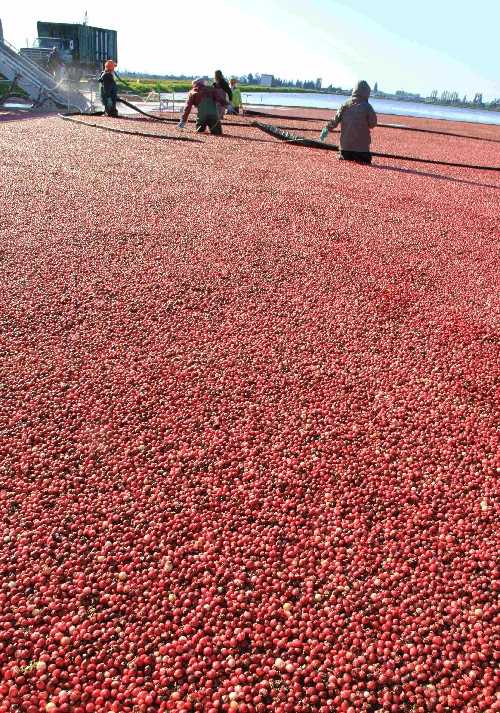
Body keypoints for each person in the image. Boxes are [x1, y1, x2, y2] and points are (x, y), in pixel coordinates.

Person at [320, 80, 377, 164]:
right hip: (362, 150)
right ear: (367, 92)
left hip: (345, 150)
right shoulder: (367, 107)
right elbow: (373, 124)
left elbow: (334, 121)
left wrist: (325, 130)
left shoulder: (345, 105)